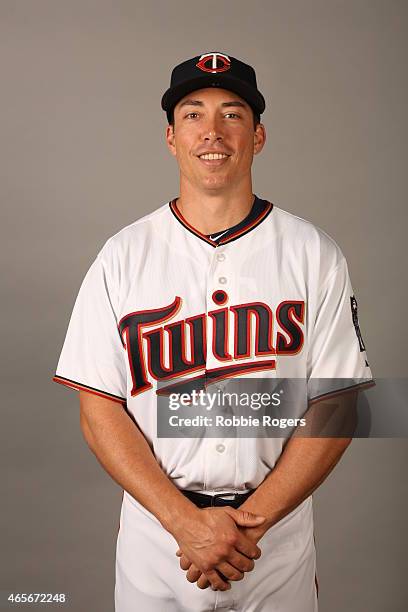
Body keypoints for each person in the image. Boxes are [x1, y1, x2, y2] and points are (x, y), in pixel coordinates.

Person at [53, 52, 374, 611]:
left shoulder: (313, 253)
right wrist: (184, 523)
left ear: (259, 135)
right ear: (171, 137)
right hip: (159, 538)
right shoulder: (122, 256)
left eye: (232, 114)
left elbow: (338, 406)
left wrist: (250, 527)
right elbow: (98, 407)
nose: (213, 131)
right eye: (193, 114)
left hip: (274, 540)